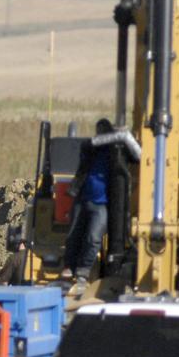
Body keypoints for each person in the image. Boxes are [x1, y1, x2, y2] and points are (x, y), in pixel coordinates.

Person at [64, 118, 114, 280]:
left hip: (102, 204)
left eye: (103, 132)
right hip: (83, 199)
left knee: (93, 238)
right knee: (73, 235)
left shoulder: (115, 153)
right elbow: (86, 146)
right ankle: (69, 267)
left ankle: (84, 269)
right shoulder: (90, 149)